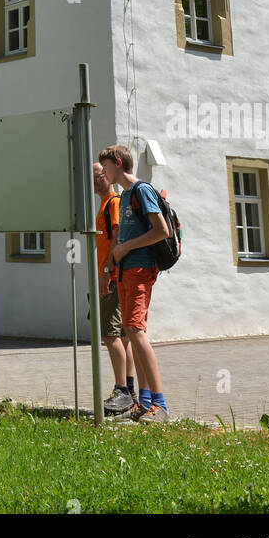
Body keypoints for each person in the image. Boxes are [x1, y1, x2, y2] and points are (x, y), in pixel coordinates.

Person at [98, 146, 170, 423]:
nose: (103, 171)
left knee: (136, 331)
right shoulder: (125, 195)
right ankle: (144, 402)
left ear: (118, 162)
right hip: (126, 272)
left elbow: (160, 230)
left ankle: (160, 405)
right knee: (131, 330)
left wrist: (125, 247)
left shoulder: (141, 190)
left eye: (105, 165)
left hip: (141, 269)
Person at [93, 161, 136, 415]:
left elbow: (118, 236)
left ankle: (121, 389)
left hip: (112, 276)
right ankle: (128, 390)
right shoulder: (105, 204)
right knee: (121, 336)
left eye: (99, 176)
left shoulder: (114, 203)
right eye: (94, 177)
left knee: (110, 335)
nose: (96, 181)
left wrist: (106, 273)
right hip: (114, 276)